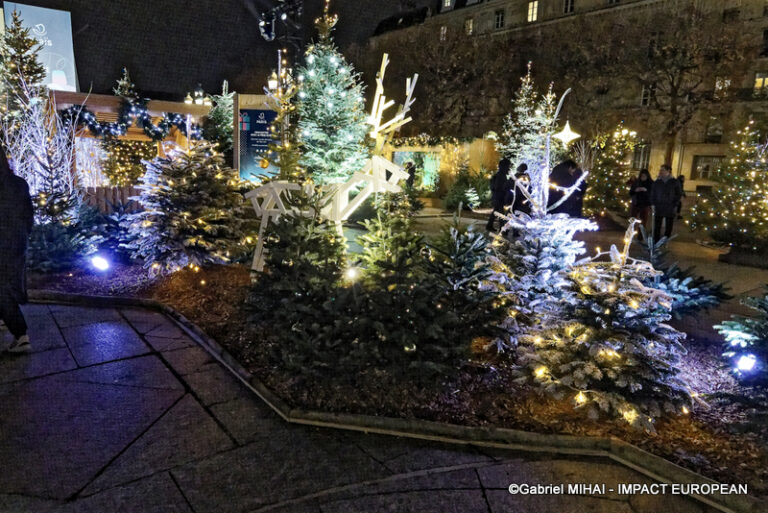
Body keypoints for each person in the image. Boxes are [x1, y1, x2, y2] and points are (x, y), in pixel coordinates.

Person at [0, 149, 34, 353]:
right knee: (7, 282)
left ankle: (21, 335)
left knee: (1, 288)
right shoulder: (19, 183)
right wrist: (23, 234)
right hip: (18, 240)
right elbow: (28, 213)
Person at [650, 164, 682, 240]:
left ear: (668, 171)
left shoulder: (674, 182)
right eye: (660, 170)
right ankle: (656, 240)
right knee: (657, 225)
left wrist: (675, 203)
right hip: (659, 206)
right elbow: (653, 193)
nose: (660, 171)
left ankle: (665, 239)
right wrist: (653, 203)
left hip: (670, 206)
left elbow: (678, 193)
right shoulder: (657, 182)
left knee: (669, 225)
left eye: (662, 170)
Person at [486, 158, 513, 231]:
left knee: (496, 211)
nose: (509, 168)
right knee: (500, 212)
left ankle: (490, 226)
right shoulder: (500, 175)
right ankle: (502, 228)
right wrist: (507, 184)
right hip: (499, 197)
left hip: (498, 197)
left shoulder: (500, 174)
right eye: (508, 166)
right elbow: (498, 187)